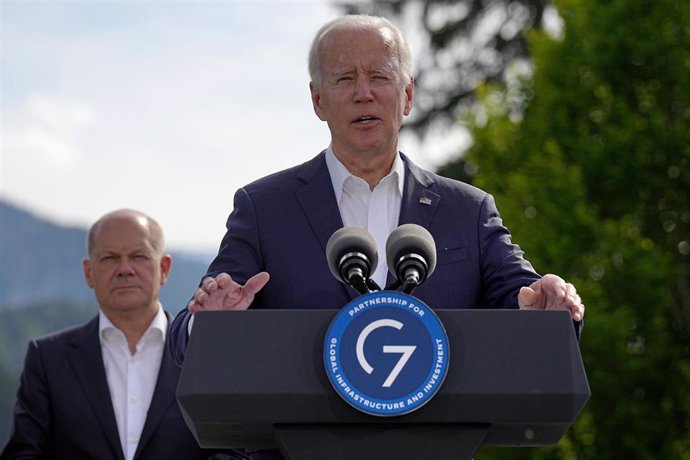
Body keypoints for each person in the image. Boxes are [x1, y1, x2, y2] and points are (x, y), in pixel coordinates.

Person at [169, 14, 584, 359]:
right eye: (345, 79)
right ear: (318, 101)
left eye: (379, 77)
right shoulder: (264, 208)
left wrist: (548, 307)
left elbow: (524, 301)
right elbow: (188, 333)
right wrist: (208, 322)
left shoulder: (468, 210)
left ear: (407, 96)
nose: (363, 94)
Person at [1, 209, 239, 460]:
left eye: (138, 256)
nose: (125, 269)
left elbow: (234, 450)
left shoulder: (206, 354)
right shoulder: (47, 359)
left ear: (164, 268)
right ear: (88, 272)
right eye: (109, 258)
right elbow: (24, 455)